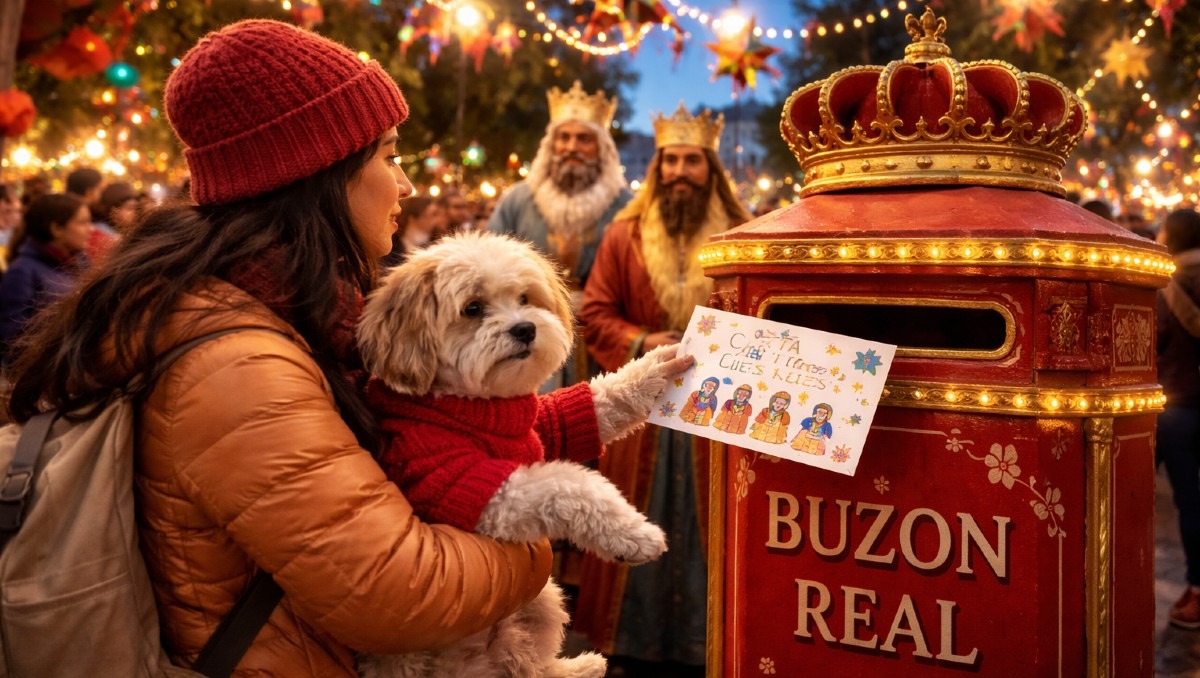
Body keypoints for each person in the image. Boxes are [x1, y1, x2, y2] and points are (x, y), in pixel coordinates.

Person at [3, 20, 561, 675]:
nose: (405, 184)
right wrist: (535, 530)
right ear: (318, 175)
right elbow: (400, 592)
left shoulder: (281, 316)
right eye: (389, 154)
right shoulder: (240, 364)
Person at [575, 103, 751, 676]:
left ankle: (713, 640)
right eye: (670, 159)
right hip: (643, 411)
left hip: (718, 415)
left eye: (691, 161)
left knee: (716, 524)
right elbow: (596, 312)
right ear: (656, 168)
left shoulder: (743, 236)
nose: (679, 170)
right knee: (636, 516)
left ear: (711, 167)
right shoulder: (622, 236)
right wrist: (645, 339)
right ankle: (629, 642)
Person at [487, 80, 632, 390]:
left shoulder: (627, 207)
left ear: (602, 148)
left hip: (602, 341)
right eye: (563, 138)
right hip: (525, 334)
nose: (571, 147)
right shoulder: (517, 200)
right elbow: (487, 263)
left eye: (583, 139)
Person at [1155, 207, 1200, 629]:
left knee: (1189, 500)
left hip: (1180, 405)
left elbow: (1154, 340)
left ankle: (1197, 591)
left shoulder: (1167, 283)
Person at [0, 193, 92, 362]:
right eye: (82, 222)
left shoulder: (81, 263)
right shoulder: (22, 271)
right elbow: (12, 339)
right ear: (56, 228)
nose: (90, 229)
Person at [380, 194, 446, 267]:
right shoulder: (392, 245)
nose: (438, 219)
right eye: (433, 214)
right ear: (412, 218)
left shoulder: (437, 243)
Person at [88, 181, 138, 264]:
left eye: (135, 209)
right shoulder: (100, 236)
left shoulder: (120, 233)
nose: (134, 213)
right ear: (112, 210)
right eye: (129, 208)